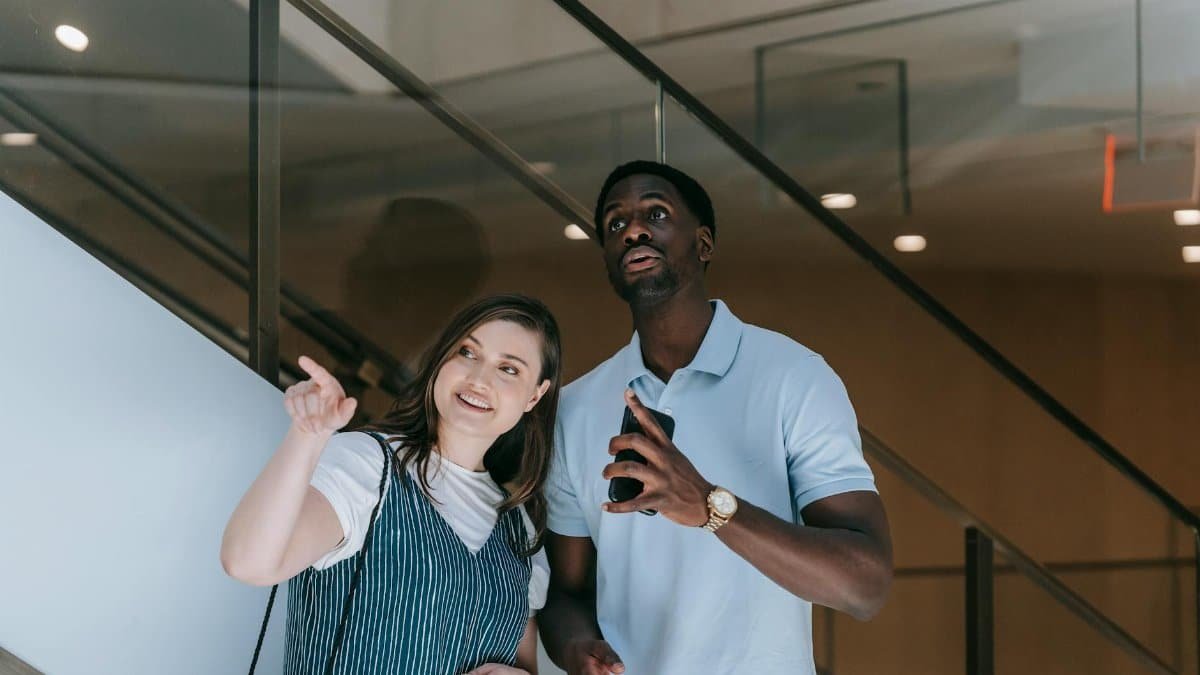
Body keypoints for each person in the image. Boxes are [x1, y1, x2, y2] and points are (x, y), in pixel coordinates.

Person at [539, 161, 894, 675]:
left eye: (656, 214)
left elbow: (865, 585)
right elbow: (567, 594)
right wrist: (577, 650)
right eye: (616, 223)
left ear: (703, 244)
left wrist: (710, 507)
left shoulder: (794, 378)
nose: (633, 230)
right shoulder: (575, 408)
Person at [221, 294, 561, 675]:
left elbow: (523, 665)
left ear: (535, 395)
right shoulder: (368, 466)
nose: (479, 379)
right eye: (467, 352)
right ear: (442, 358)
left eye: (509, 369)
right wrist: (307, 435)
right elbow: (248, 562)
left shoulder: (519, 528)